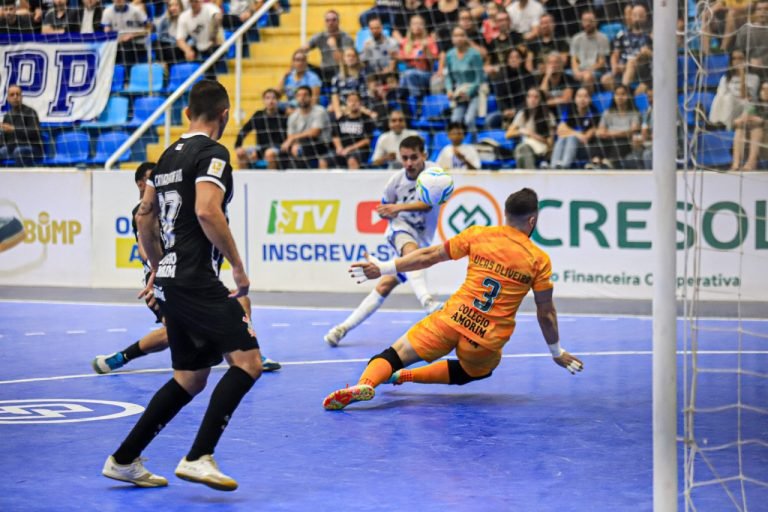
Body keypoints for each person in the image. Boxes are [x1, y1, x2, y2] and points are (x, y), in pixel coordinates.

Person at [102, 80, 263, 491]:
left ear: (187, 113)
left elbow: (144, 216)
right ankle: (199, 456)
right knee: (248, 362)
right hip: (196, 278)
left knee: (190, 377)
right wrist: (239, 268)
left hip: (174, 279)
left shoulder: (165, 157)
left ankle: (123, 459)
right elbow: (208, 211)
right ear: (224, 115)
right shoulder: (213, 153)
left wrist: (158, 267)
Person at [322, 187, 584, 410]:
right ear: (532, 221)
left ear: (505, 214)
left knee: (393, 353)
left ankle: (366, 384)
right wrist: (556, 351)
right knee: (477, 370)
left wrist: (384, 268)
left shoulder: (479, 235)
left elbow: (429, 256)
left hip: (451, 319)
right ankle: (404, 377)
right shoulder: (538, 260)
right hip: (485, 340)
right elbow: (545, 312)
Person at [92, 162, 281, 373]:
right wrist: (159, 273)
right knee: (175, 332)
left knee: (241, 302)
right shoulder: (144, 211)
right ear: (140, 184)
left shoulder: (179, 208)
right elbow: (144, 248)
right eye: (151, 179)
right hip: (163, 280)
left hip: (192, 277)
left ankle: (248, 354)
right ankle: (121, 357)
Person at [324, 135, 443, 347]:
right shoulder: (395, 181)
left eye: (413, 157)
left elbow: (428, 204)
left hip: (424, 236)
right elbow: (385, 210)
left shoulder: (434, 174)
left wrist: (397, 207)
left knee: (385, 285)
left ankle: (341, 329)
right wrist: (386, 212)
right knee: (412, 254)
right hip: (400, 230)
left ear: (424, 155)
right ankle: (429, 303)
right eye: (404, 158)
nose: (408, 163)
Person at [278, 85, 332, 169]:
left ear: (310, 97)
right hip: (300, 144)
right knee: (282, 152)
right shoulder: (293, 116)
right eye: (299, 95)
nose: (302, 98)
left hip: (320, 144)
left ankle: (302, 179)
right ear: (296, 98)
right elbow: (290, 137)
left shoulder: (320, 111)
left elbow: (314, 133)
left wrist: (294, 140)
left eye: (305, 95)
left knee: (302, 149)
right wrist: (294, 144)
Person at [444, 26, 485, 134]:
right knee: (455, 121)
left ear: (466, 38)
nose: (459, 38)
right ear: (452, 38)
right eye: (456, 36)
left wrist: (470, 92)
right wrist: (449, 90)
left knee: (469, 120)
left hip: (476, 91)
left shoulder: (474, 54)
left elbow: (480, 77)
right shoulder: (449, 55)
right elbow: (448, 75)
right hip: (459, 92)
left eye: (462, 35)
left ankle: (473, 144)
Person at [234, 88, 287, 170]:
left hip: (277, 148)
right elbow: (244, 130)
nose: (271, 101)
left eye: (273, 98)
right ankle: (245, 181)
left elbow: (285, 139)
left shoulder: (283, 116)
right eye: (268, 98)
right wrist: (238, 146)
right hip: (260, 148)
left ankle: (270, 181)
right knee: (241, 153)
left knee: (269, 153)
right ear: (263, 101)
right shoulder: (258, 115)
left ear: (278, 101)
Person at [505, 87, 556, 169]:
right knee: (522, 149)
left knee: (521, 149)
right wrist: (522, 131)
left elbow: (550, 143)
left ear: (541, 100)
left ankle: (529, 177)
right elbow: (508, 134)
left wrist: (532, 135)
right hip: (526, 146)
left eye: (536, 97)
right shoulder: (522, 114)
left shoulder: (548, 116)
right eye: (530, 96)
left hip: (541, 150)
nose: (532, 100)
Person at [301, 9, 354, 85]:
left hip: (340, 70)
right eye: (328, 20)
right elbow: (303, 49)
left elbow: (343, 62)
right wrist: (303, 51)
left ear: (338, 22)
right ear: (325, 22)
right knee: (299, 61)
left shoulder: (346, 38)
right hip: (324, 70)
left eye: (333, 20)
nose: (330, 23)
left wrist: (334, 46)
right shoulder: (321, 36)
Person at [550, 87, 599, 169]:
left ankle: (564, 165)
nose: (582, 99)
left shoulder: (594, 113)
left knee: (571, 138)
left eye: (585, 96)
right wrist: (577, 133)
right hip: (568, 145)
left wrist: (570, 133)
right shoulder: (570, 111)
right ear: (575, 99)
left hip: (585, 149)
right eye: (579, 96)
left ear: (590, 99)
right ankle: (553, 165)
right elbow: (560, 130)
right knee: (562, 137)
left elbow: (585, 138)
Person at [329, 92, 376, 170]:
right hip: (342, 150)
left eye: (356, 101)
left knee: (351, 160)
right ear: (347, 103)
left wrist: (349, 148)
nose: (353, 103)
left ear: (360, 103)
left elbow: (367, 140)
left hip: (359, 151)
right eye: (350, 101)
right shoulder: (342, 119)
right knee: (323, 160)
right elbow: (335, 135)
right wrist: (339, 147)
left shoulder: (366, 119)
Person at [0, 85, 42, 166]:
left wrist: (14, 129)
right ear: (8, 99)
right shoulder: (8, 115)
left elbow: (34, 133)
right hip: (12, 148)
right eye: (12, 95)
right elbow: (4, 138)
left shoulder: (30, 112)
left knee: (18, 151)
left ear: (21, 97)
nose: (15, 97)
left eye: (17, 94)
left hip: (32, 147)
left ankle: (21, 178)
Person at [731, 80, 768, 171]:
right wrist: (740, 120)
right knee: (740, 129)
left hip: (764, 137)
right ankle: (736, 163)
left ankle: (752, 162)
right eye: (763, 89)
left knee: (757, 128)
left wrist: (762, 121)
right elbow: (735, 122)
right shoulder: (754, 105)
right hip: (752, 139)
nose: (765, 92)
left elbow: (761, 122)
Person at [569, 10, 610, 92]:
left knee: (587, 77)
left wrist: (587, 71)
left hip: (596, 71)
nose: (587, 23)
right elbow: (574, 59)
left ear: (596, 22)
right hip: (579, 70)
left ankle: (587, 102)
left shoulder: (603, 38)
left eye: (590, 21)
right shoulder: (576, 38)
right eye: (585, 21)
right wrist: (576, 71)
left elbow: (601, 62)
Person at [101, 0, 149, 66]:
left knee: (126, 46)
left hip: (137, 44)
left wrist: (132, 35)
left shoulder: (136, 10)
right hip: (117, 43)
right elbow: (107, 32)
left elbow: (148, 30)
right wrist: (118, 39)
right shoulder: (107, 11)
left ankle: (127, 73)